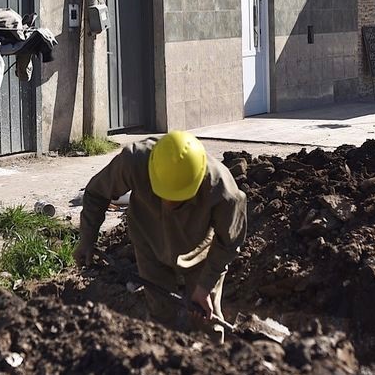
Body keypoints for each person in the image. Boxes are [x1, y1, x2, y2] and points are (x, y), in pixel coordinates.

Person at [74, 131, 247, 338]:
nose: (169, 204)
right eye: (163, 195)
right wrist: (87, 239)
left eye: (179, 199)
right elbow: (96, 193)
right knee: (161, 312)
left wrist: (205, 285)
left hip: (198, 250)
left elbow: (229, 242)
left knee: (206, 315)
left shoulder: (224, 192)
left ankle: (213, 359)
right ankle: (165, 357)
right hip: (148, 239)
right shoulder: (134, 161)